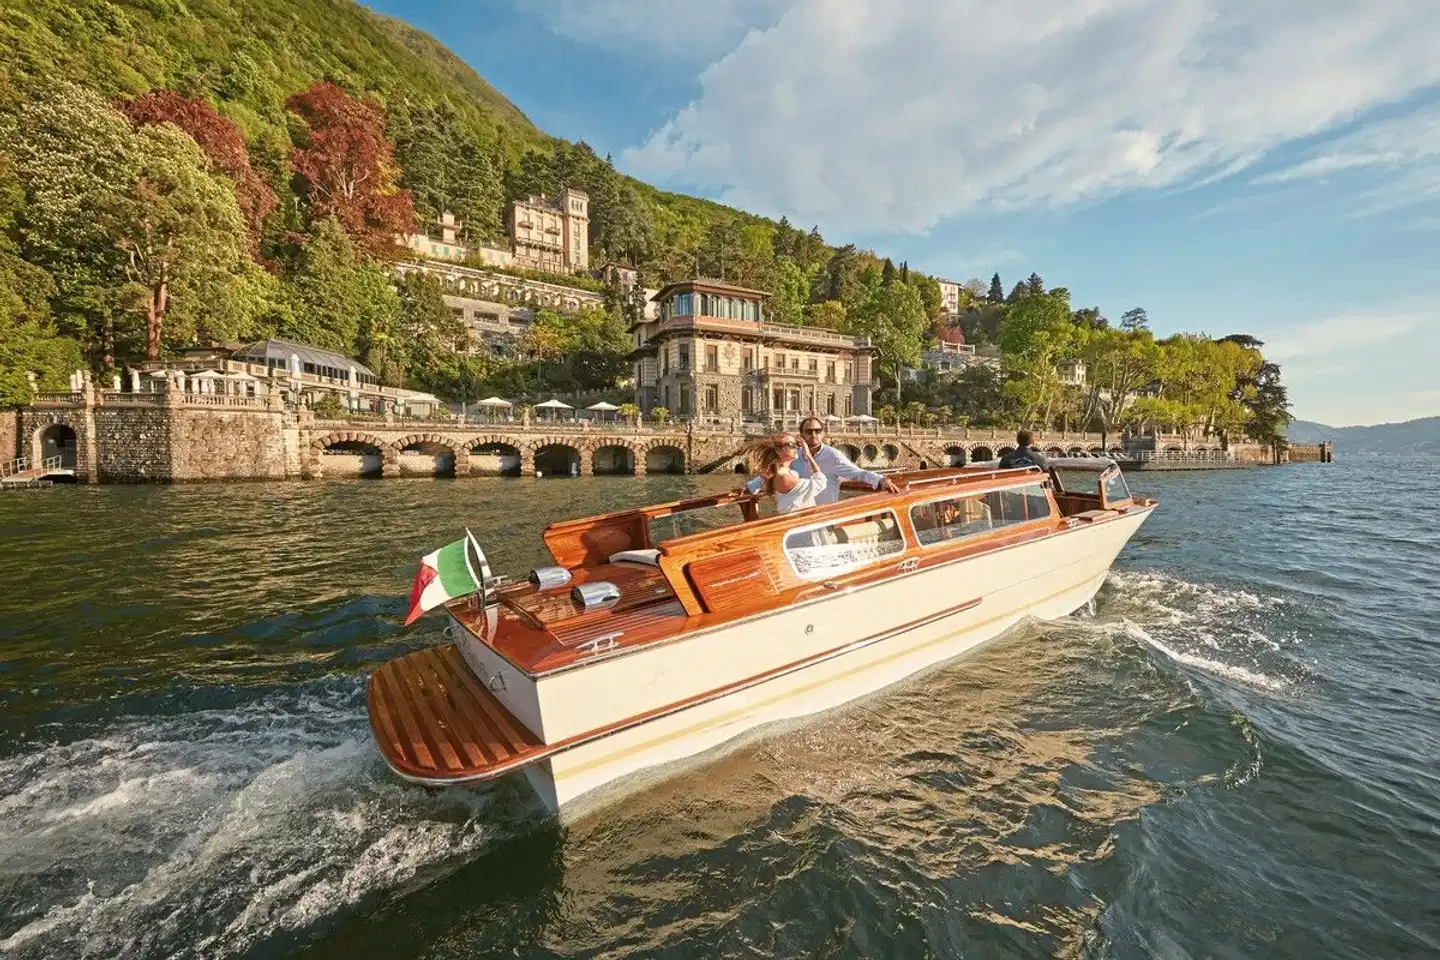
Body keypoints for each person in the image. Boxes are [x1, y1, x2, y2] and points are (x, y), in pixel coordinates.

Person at [789, 416, 901, 504]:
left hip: (823, 514)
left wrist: (881, 480)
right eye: (809, 431)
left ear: (823, 433)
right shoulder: (794, 456)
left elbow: (858, 473)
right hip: (799, 513)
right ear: (801, 434)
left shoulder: (833, 456)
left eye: (817, 431)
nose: (813, 434)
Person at [742, 433, 829, 513]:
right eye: (792, 445)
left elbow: (756, 483)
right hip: (800, 524)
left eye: (797, 445)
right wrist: (809, 455)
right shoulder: (785, 478)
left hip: (797, 521)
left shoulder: (775, 473)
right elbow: (821, 483)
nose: (797, 448)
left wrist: (748, 488)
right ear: (778, 451)